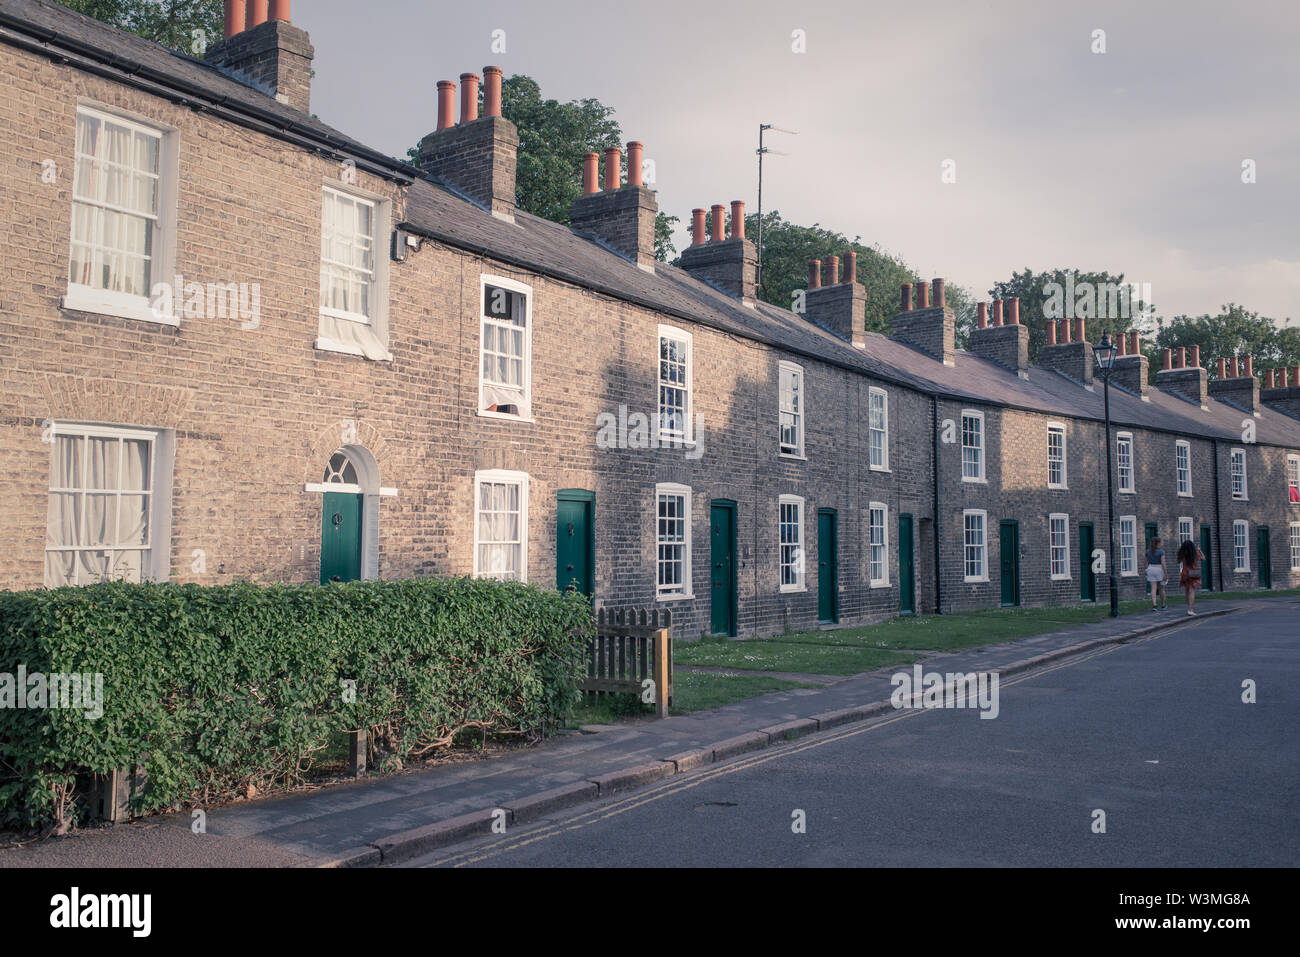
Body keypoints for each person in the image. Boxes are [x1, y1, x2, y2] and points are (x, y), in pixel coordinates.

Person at [1177, 539, 1205, 616]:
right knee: (1192, 591)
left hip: (1184, 572)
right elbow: (1203, 558)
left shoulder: (1183, 555)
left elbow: (1178, 561)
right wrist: (1199, 550)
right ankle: (1190, 609)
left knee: (1186, 590)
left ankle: (1189, 607)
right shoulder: (1196, 554)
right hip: (1193, 572)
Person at [1145, 537, 1167, 610]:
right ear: (1158, 543)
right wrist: (1165, 573)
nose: (1162, 544)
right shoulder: (1161, 552)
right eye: (1161, 542)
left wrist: (1146, 570)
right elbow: (1163, 563)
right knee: (1161, 588)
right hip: (1159, 569)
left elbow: (1145, 562)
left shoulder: (1148, 551)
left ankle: (1154, 605)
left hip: (1151, 568)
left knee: (1153, 588)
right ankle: (1163, 604)